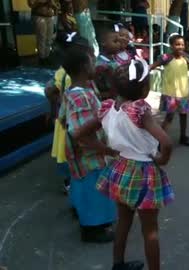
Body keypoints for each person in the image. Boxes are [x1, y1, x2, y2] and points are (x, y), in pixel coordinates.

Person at [75, 59, 173, 270]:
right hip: (145, 173)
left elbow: (78, 134)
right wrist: (161, 160)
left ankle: (117, 264)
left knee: (124, 221)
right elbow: (166, 142)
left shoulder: (107, 108)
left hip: (120, 170)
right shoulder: (140, 111)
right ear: (145, 89)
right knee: (150, 231)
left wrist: (106, 149)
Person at [59, 45, 117, 243]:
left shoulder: (72, 92)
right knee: (94, 189)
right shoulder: (81, 96)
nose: (96, 65)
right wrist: (107, 149)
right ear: (84, 67)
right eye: (93, 62)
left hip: (82, 156)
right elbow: (80, 134)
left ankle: (87, 217)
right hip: (90, 156)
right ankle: (93, 229)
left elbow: (61, 119)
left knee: (84, 186)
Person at [45, 33, 91, 194]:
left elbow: (51, 91)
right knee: (75, 151)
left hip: (64, 119)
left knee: (66, 152)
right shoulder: (79, 77)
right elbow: (51, 91)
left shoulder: (62, 72)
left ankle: (70, 182)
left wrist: (53, 111)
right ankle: (74, 184)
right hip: (75, 121)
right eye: (89, 54)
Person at [150, 34, 189, 146]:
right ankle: (160, 141)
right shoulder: (166, 58)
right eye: (177, 44)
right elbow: (153, 65)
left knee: (184, 116)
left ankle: (183, 137)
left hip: (183, 93)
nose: (180, 47)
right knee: (169, 117)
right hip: (170, 94)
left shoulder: (186, 57)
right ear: (171, 46)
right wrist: (143, 70)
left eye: (182, 44)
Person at [94, 26, 122, 100]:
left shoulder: (114, 60)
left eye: (119, 41)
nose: (119, 44)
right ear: (103, 43)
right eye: (115, 41)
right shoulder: (99, 64)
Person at [28, 0, 60, 65]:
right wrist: (42, 2)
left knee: (49, 38)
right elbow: (31, 4)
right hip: (39, 16)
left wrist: (54, 5)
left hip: (50, 17)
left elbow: (58, 6)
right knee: (41, 38)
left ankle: (47, 57)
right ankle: (42, 58)